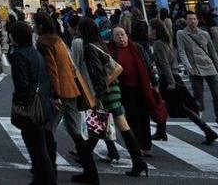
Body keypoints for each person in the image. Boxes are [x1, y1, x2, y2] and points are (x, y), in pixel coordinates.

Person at [76, 18, 148, 177]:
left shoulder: (89, 48)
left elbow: (107, 71)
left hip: (106, 92)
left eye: (79, 29)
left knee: (99, 126)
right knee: (108, 126)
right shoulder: (100, 44)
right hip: (113, 90)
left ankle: (87, 162)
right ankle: (138, 162)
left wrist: (99, 90)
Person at [35, 13, 97, 184]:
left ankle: (49, 173)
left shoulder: (44, 42)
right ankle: (91, 173)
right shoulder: (59, 39)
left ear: (40, 26)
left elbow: (52, 69)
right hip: (72, 89)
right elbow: (70, 64)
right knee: (76, 132)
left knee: (48, 130)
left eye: (35, 24)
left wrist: (55, 95)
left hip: (59, 91)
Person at [150, 18, 217, 146]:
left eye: (150, 28)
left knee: (161, 104)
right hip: (174, 76)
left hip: (168, 78)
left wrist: (170, 81)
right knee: (178, 106)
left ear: (154, 29)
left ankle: (161, 131)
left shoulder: (158, 44)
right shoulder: (166, 41)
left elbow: (164, 63)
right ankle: (206, 130)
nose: (149, 31)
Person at [9, 20, 56, 185]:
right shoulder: (34, 52)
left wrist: (19, 103)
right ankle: (40, 179)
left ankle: (48, 180)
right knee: (39, 145)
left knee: (37, 148)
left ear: (15, 37)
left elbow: (21, 85)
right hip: (43, 104)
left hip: (31, 107)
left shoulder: (18, 55)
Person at [108, 26, 159, 159]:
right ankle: (137, 146)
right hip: (124, 88)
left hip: (141, 86)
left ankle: (147, 146)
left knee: (144, 116)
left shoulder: (136, 47)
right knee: (132, 117)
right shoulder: (111, 50)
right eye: (117, 35)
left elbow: (148, 66)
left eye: (122, 34)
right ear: (113, 38)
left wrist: (154, 83)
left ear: (127, 35)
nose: (120, 37)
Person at [176, 10, 218, 129]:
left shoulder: (204, 33)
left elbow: (212, 51)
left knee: (217, 94)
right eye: (190, 19)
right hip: (195, 67)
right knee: (198, 96)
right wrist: (188, 66)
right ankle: (198, 115)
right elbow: (181, 51)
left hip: (209, 66)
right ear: (186, 20)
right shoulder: (181, 33)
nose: (192, 21)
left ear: (198, 20)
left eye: (194, 19)